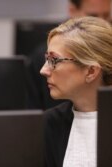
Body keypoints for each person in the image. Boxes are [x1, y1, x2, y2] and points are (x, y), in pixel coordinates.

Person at [42, 16, 112, 167]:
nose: (43, 70)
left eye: (54, 60)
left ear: (91, 71)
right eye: (46, 59)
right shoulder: (46, 125)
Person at [27, 0, 111, 110]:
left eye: (54, 60)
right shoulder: (49, 122)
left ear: (91, 71)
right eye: (93, 16)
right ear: (72, 10)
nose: (102, 23)